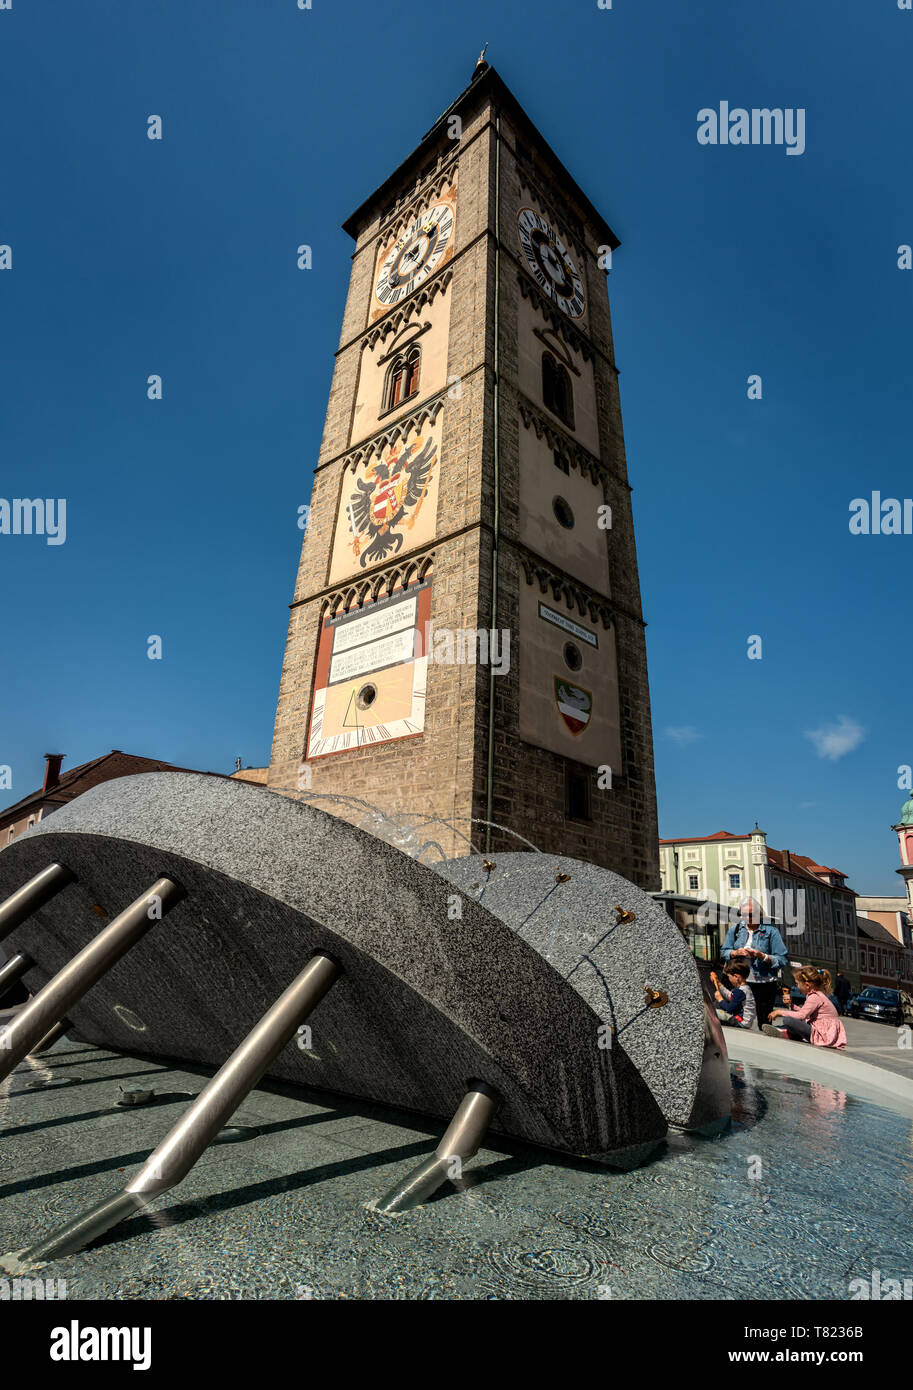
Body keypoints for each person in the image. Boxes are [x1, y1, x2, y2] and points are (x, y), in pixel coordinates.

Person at [720, 899, 788, 1026]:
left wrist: (762, 956)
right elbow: (724, 951)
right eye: (744, 914)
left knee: (764, 1021)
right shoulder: (735, 930)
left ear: (759, 914)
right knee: (733, 1018)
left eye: (751, 914)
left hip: (764, 982)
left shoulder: (771, 932)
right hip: (739, 982)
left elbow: (782, 959)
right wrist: (735, 953)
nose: (747, 918)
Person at [762, 965, 847, 1049]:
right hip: (824, 1033)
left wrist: (779, 1012)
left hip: (822, 1035)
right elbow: (805, 1012)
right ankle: (788, 1032)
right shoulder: (817, 995)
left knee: (788, 1020)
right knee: (795, 1021)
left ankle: (787, 1031)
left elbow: (802, 1015)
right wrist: (791, 1005)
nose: (796, 986)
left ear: (807, 985)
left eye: (797, 983)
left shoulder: (814, 997)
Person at [709, 959, 757, 1029]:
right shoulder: (745, 988)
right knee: (716, 1008)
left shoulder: (740, 991)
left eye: (729, 977)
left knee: (711, 1012)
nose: (729, 979)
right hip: (745, 1021)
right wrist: (719, 984)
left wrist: (720, 999)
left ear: (736, 976)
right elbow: (730, 996)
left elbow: (729, 1009)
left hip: (740, 1022)